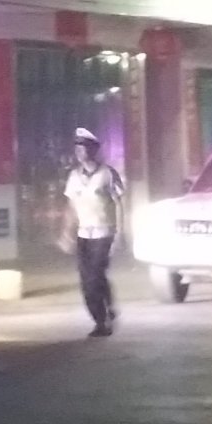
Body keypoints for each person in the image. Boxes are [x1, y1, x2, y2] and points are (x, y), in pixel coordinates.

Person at [62, 127, 127, 337]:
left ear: (93, 150)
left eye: (83, 148)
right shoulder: (74, 176)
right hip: (84, 235)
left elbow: (119, 203)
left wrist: (120, 233)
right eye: (77, 148)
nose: (79, 152)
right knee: (87, 279)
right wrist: (66, 233)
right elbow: (71, 206)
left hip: (104, 233)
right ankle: (107, 309)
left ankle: (102, 321)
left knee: (95, 276)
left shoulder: (108, 174)